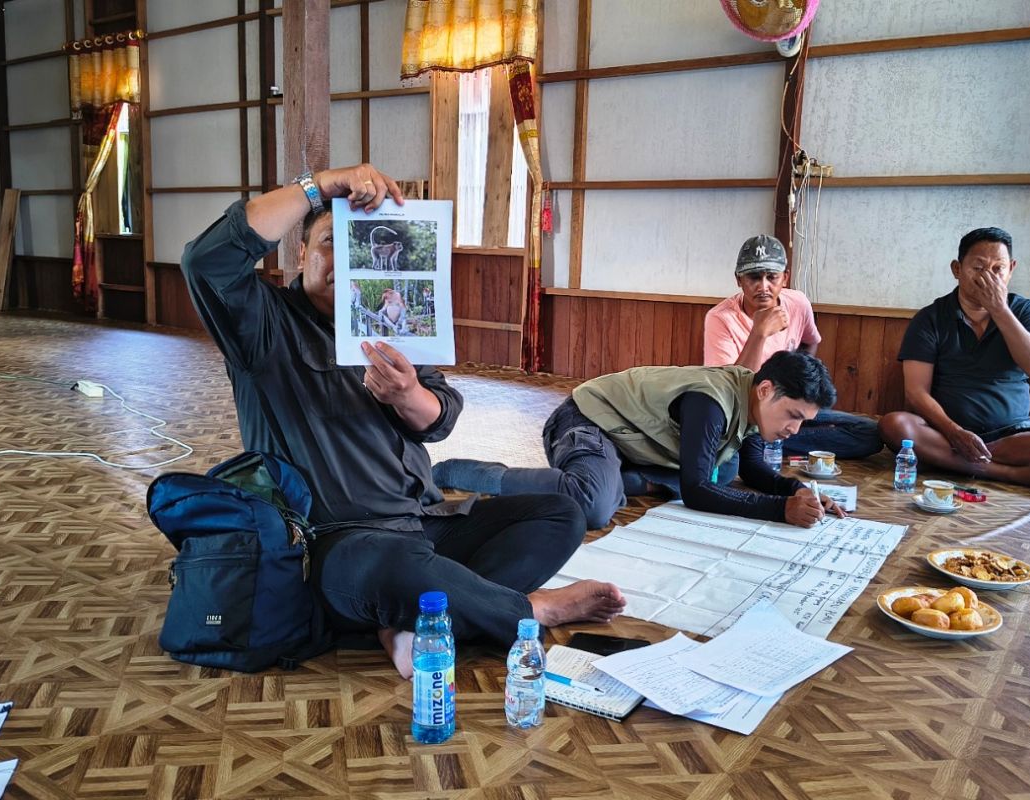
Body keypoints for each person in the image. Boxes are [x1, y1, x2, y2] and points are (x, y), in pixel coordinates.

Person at [180, 163, 625, 679]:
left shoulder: (395, 320)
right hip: (341, 543)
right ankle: (528, 610)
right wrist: (320, 186)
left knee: (560, 514)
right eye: (330, 242)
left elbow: (440, 417)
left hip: (422, 523)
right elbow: (205, 262)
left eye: (361, 246)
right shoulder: (264, 324)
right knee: (392, 566)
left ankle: (411, 619)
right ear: (301, 253)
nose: (347, 258)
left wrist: (407, 394)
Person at [433, 351, 847, 529]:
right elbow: (697, 491)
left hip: (629, 443)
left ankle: (622, 480)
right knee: (594, 506)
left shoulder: (755, 406)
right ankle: (471, 473)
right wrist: (781, 511)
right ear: (765, 389)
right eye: (793, 416)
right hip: (585, 422)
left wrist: (800, 491)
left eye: (802, 422)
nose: (794, 431)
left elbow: (756, 469)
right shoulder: (712, 402)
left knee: (731, 470)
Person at [878, 227, 1030, 494]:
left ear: (1011, 269)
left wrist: (999, 309)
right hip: (946, 432)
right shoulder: (930, 318)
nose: (988, 276)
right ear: (957, 269)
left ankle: (953, 462)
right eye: (978, 267)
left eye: (998, 268)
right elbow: (916, 392)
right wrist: (954, 433)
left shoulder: (1025, 310)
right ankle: (1009, 473)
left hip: (1012, 433)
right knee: (894, 425)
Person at [703, 234, 882, 459]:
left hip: (790, 407)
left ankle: (770, 443)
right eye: (754, 277)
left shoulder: (798, 303)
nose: (763, 287)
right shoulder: (720, 318)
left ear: (785, 278)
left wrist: (800, 391)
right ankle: (762, 442)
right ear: (739, 280)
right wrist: (759, 333)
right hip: (748, 417)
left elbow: (811, 342)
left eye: (772, 277)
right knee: (740, 436)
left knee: (869, 433)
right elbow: (727, 390)